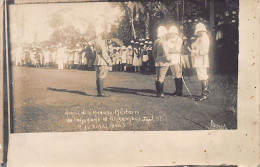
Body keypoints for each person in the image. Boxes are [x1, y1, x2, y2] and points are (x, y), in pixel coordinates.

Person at [188, 22, 210, 101]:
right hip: (199, 59)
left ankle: (204, 95)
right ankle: (205, 93)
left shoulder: (204, 38)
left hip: (201, 59)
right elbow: (195, 46)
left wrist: (194, 52)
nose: (197, 33)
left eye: (199, 31)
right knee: (203, 75)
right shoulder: (200, 38)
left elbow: (204, 51)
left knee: (202, 76)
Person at [92, 27, 112, 97]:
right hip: (102, 61)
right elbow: (104, 53)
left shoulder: (95, 41)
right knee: (101, 76)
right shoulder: (101, 41)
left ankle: (99, 92)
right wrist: (109, 61)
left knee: (98, 76)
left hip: (97, 60)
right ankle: (100, 93)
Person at [153, 26, 169, 98]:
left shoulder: (156, 41)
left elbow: (153, 52)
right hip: (163, 60)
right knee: (161, 76)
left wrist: (155, 58)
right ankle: (161, 93)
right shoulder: (163, 41)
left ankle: (157, 92)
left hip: (157, 59)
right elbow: (165, 52)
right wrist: (168, 59)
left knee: (157, 76)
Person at [166, 26, 183, 96]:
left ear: (176, 33)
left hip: (177, 57)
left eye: (173, 33)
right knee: (174, 74)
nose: (172, 34)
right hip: (171, 58)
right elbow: (167, 49)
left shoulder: (179, 39)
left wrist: (171, 48)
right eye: (171, 33)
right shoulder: (169, 40)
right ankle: (176, 90)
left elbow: (177, 49)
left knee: (178, 73)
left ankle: (180, 91)